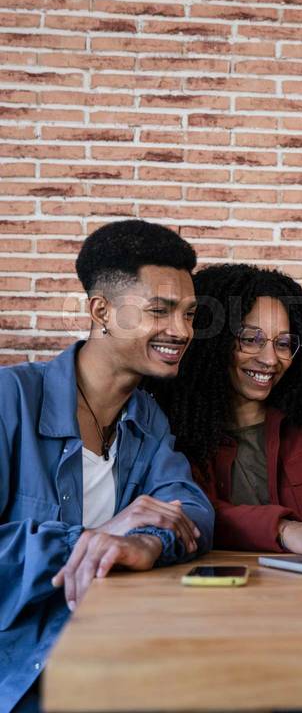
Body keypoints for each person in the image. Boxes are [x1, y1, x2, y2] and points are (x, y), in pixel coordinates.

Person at [0, 219, 214, 713]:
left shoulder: (146, 417)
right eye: (160, 311)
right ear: (102, 311)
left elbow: (191, 509)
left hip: (116, 657)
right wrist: (92, 540)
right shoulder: (12, 399)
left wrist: (139, 542)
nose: (181, 331)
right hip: (22, 678)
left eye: (189, 313)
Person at [153, 263, 302, 557]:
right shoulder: (174, 430)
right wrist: (283, 529)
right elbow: (189, 515)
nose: (270, 359)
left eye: (283, 343)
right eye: (250, 339)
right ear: (213, 343)